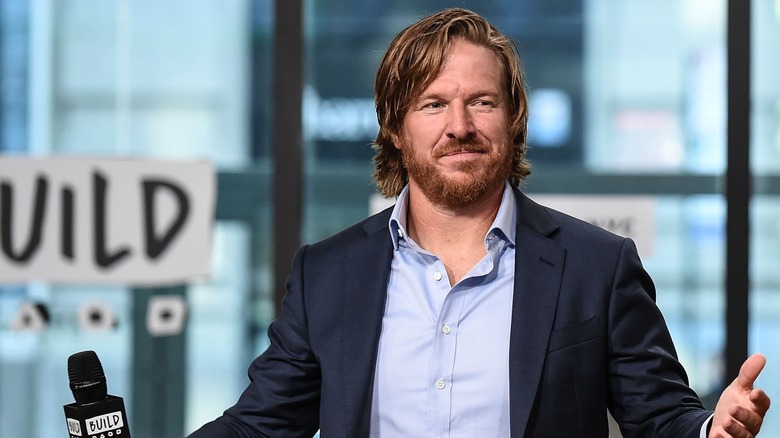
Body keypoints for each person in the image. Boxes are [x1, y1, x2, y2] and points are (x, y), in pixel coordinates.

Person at [190, 8, 770, 437]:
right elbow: (257, 427)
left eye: (482, 102)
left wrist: (708, 432)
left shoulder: (597, 266)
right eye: (433, 104)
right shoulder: (328, 274)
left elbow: (661, 415)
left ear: (514, 119)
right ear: (395, 126)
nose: (460, 125)